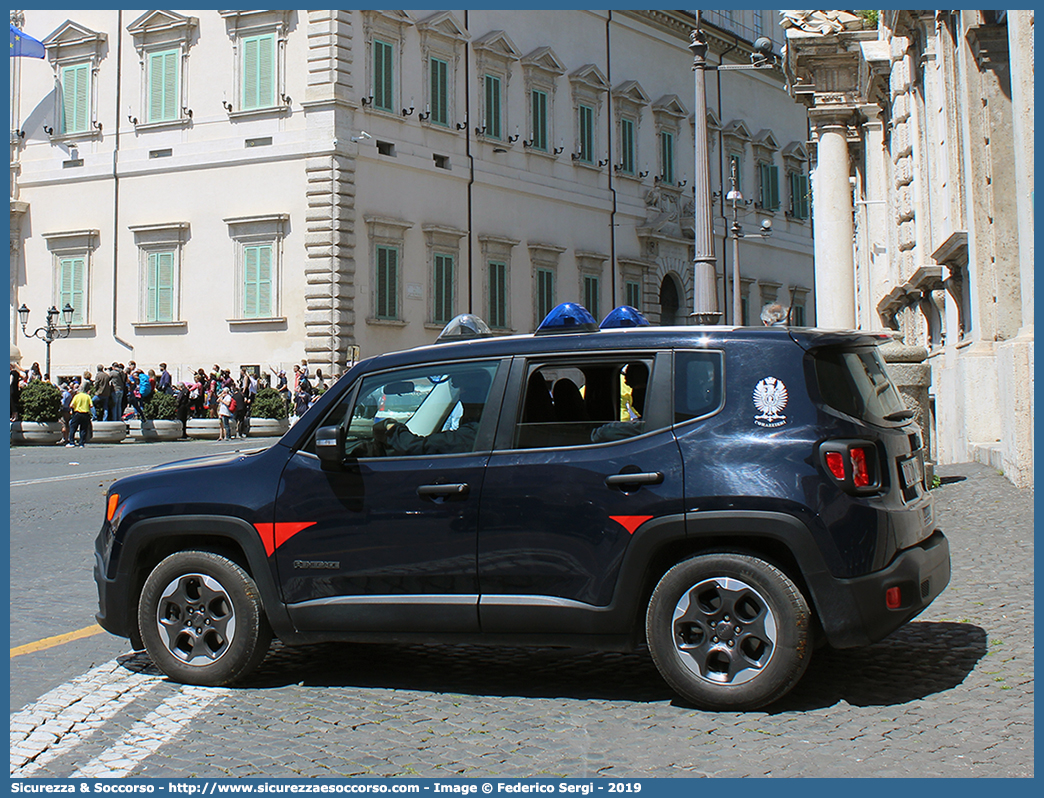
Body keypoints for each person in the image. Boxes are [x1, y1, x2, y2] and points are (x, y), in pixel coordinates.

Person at [372, 371, 490, 456]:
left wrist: (390, 427)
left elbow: (417, 447)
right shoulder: (483, 431)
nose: (461, 395)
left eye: (467, 391)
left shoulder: (475, 434)